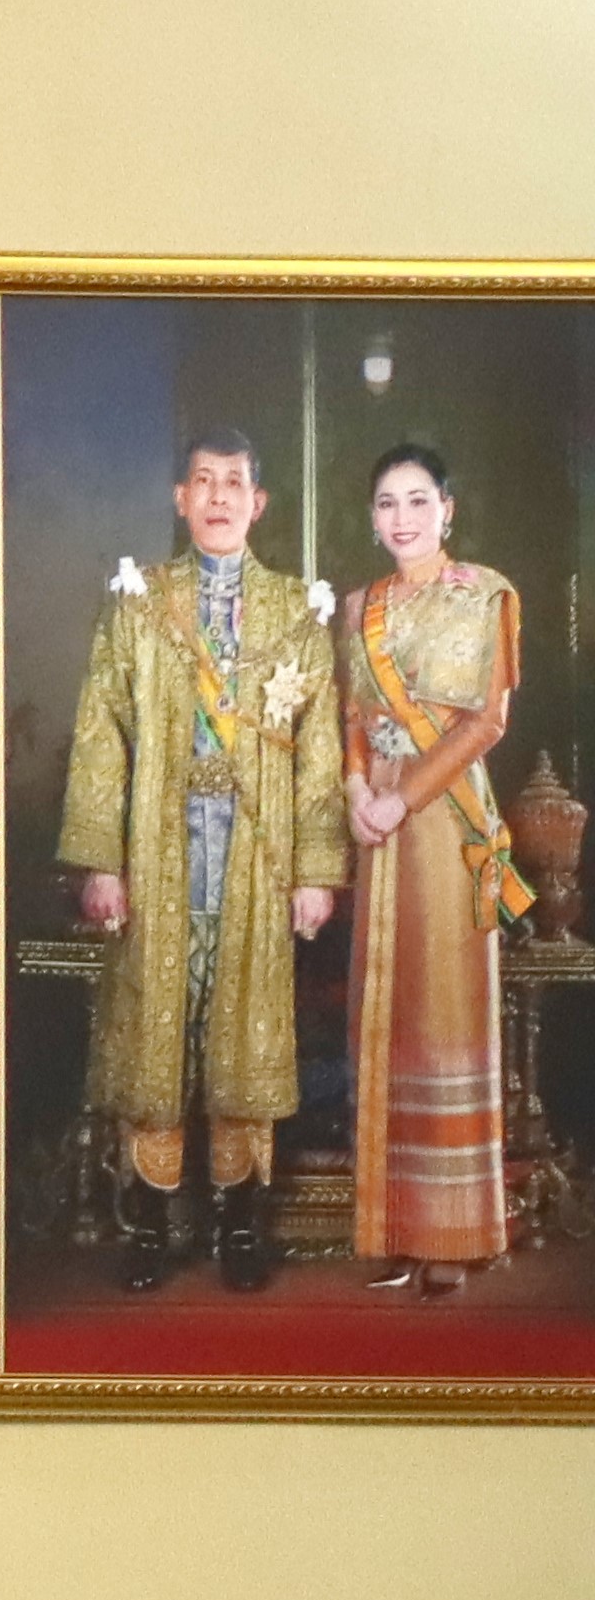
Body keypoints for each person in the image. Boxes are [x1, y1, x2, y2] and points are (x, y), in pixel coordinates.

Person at [53, 428, 350, 1288]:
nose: (219, 496)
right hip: (159, 853)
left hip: (256, 859)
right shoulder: (141, 603)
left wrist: (315, 871)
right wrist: (102, 862)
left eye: (235, 483)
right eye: (204, 481)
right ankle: (149, 1224)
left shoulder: (296, 613)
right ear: (181, 499)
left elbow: (319, 751)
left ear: (259, 503)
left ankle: (240, 1226)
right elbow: (101, 734)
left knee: (244, 1035)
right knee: (157, 1034)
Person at [335, 440, 524, 1292]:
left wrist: (402, 798)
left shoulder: (486, 594)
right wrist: (356, 792)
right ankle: (399, 1227)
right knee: (387, 1012)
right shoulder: (357, 607)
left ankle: (456, 1233)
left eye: (418, 500)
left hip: (445, 819)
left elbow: (487, 722)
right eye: (387, 503)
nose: (403, 517)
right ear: (373, 518)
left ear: (447, 509)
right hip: (377, 822)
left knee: (446, 1004)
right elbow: (350, 716)